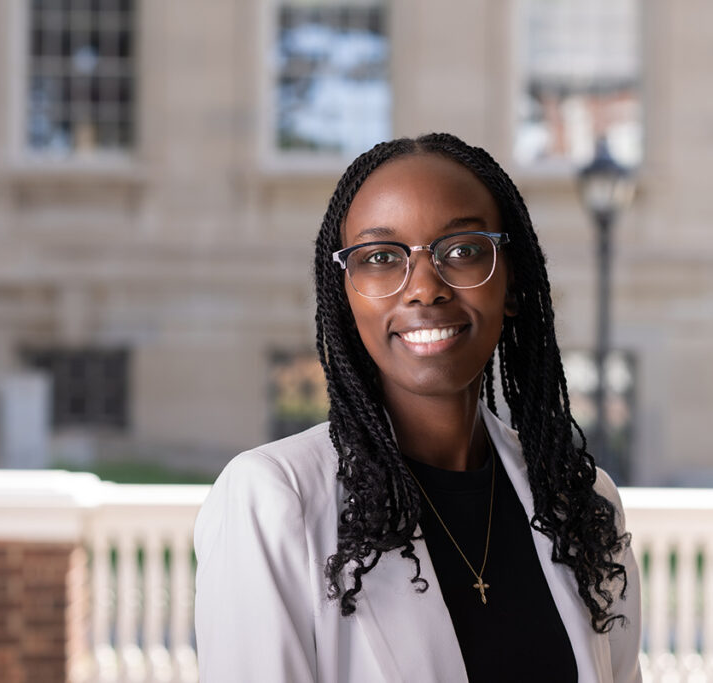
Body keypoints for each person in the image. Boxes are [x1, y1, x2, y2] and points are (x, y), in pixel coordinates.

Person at [194, 133, 642, 683]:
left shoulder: (582, 502)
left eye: (462, 249)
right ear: (346, 295)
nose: (424, 289)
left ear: (512, 283)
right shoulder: (273, 499)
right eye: (381, 257)